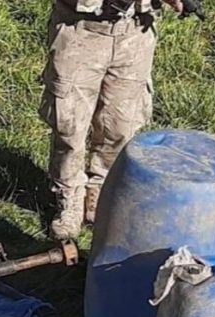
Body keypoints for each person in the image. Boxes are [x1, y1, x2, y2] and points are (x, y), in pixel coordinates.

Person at [42, 0, 184, 240]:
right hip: (80, 28)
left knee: (120, 125)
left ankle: (101, 189)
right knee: (69, 124)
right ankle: (69, 197)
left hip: (135, 31)